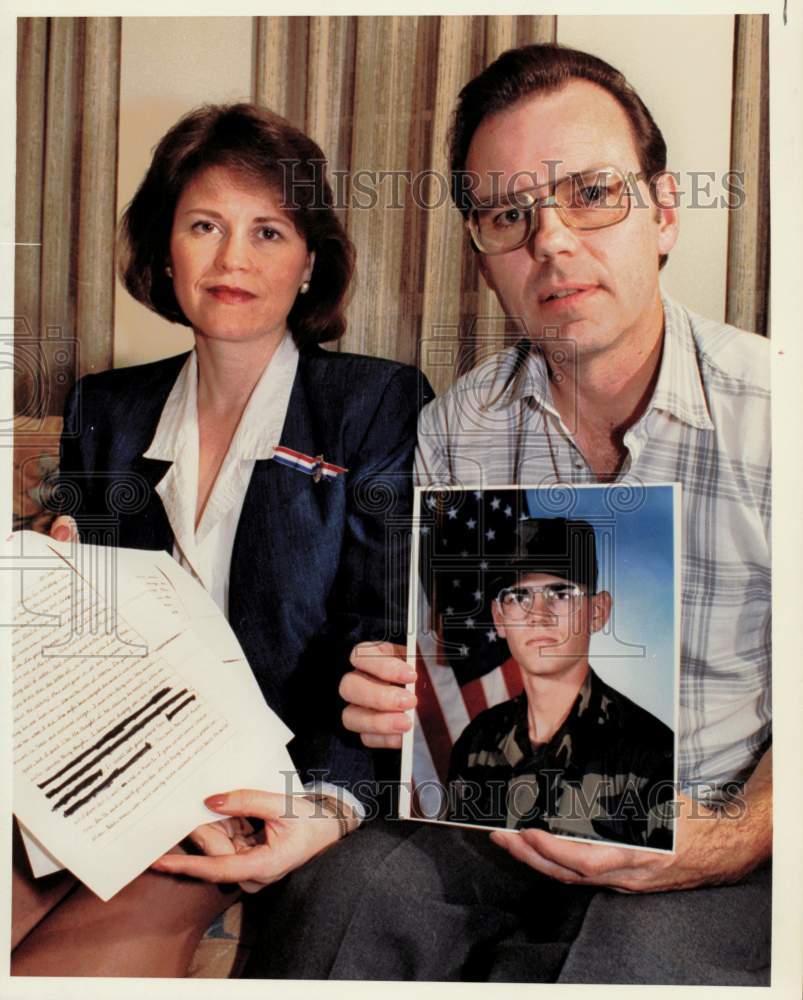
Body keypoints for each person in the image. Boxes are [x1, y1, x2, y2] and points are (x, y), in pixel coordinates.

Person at [254, 44, 772, 984]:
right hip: (501, 814)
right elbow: (443, 677)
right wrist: (401, 698)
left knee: (637, 966)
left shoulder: (780, 414)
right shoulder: (457, 423)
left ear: (662, 212)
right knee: (340, 897)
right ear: (482, 254)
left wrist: (726, 838)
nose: (552, 242)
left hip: (726, 829)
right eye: (508, 214)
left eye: (590, 194)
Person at [11, 102, 430, 976]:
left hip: (258, 778)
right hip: (104, 763)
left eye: (268, 232)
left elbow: (380, 629)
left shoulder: (373, 402)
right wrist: (45, 579)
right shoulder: (107, 407)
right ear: (167, 249)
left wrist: (317, 799)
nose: (233, 259)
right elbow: (82, 631)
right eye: (205, 225)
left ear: (311, 262)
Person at [444, 517, 674, 849]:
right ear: (500, 618)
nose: (538, 614)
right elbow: (457, 860)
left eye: (561, 593)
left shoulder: (651, 753)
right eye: (519, 596)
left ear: (597, 612)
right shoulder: (476, 743)